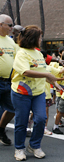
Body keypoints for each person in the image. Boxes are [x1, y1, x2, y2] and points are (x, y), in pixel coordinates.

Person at [11, 25, 61, 161]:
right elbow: (25, 71)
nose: (41, 39)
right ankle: (19, 148)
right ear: (33, 38)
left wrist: (55, 83)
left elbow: (43, 72)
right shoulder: (21, 53)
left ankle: (34, 146)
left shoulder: (38, 53)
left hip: (38, 92)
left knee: (40, 119)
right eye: (39, 37)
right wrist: (48, 75)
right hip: (22, 92)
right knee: (21, 122)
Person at [0, 14, 18, 146]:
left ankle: (1, 130)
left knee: (12, 108)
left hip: (8, 81)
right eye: (10, 25)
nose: (12, 28)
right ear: (1, 25)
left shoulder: (11, 41)